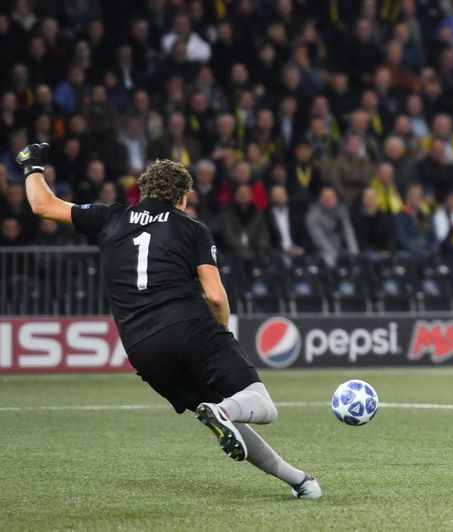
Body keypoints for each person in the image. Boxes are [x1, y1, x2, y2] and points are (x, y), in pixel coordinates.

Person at [16, 143, 321, 499]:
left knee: (219, 412)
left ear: (143, 191)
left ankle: (299, 482)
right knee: (261, 404)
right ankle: (223, 411)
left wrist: (32, 166)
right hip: (190, 327)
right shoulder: (192, 229)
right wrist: (219, 335)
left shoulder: (109, 217)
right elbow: (215, 296)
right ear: (183, 198)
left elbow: (43, 205)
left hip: (143, 349)